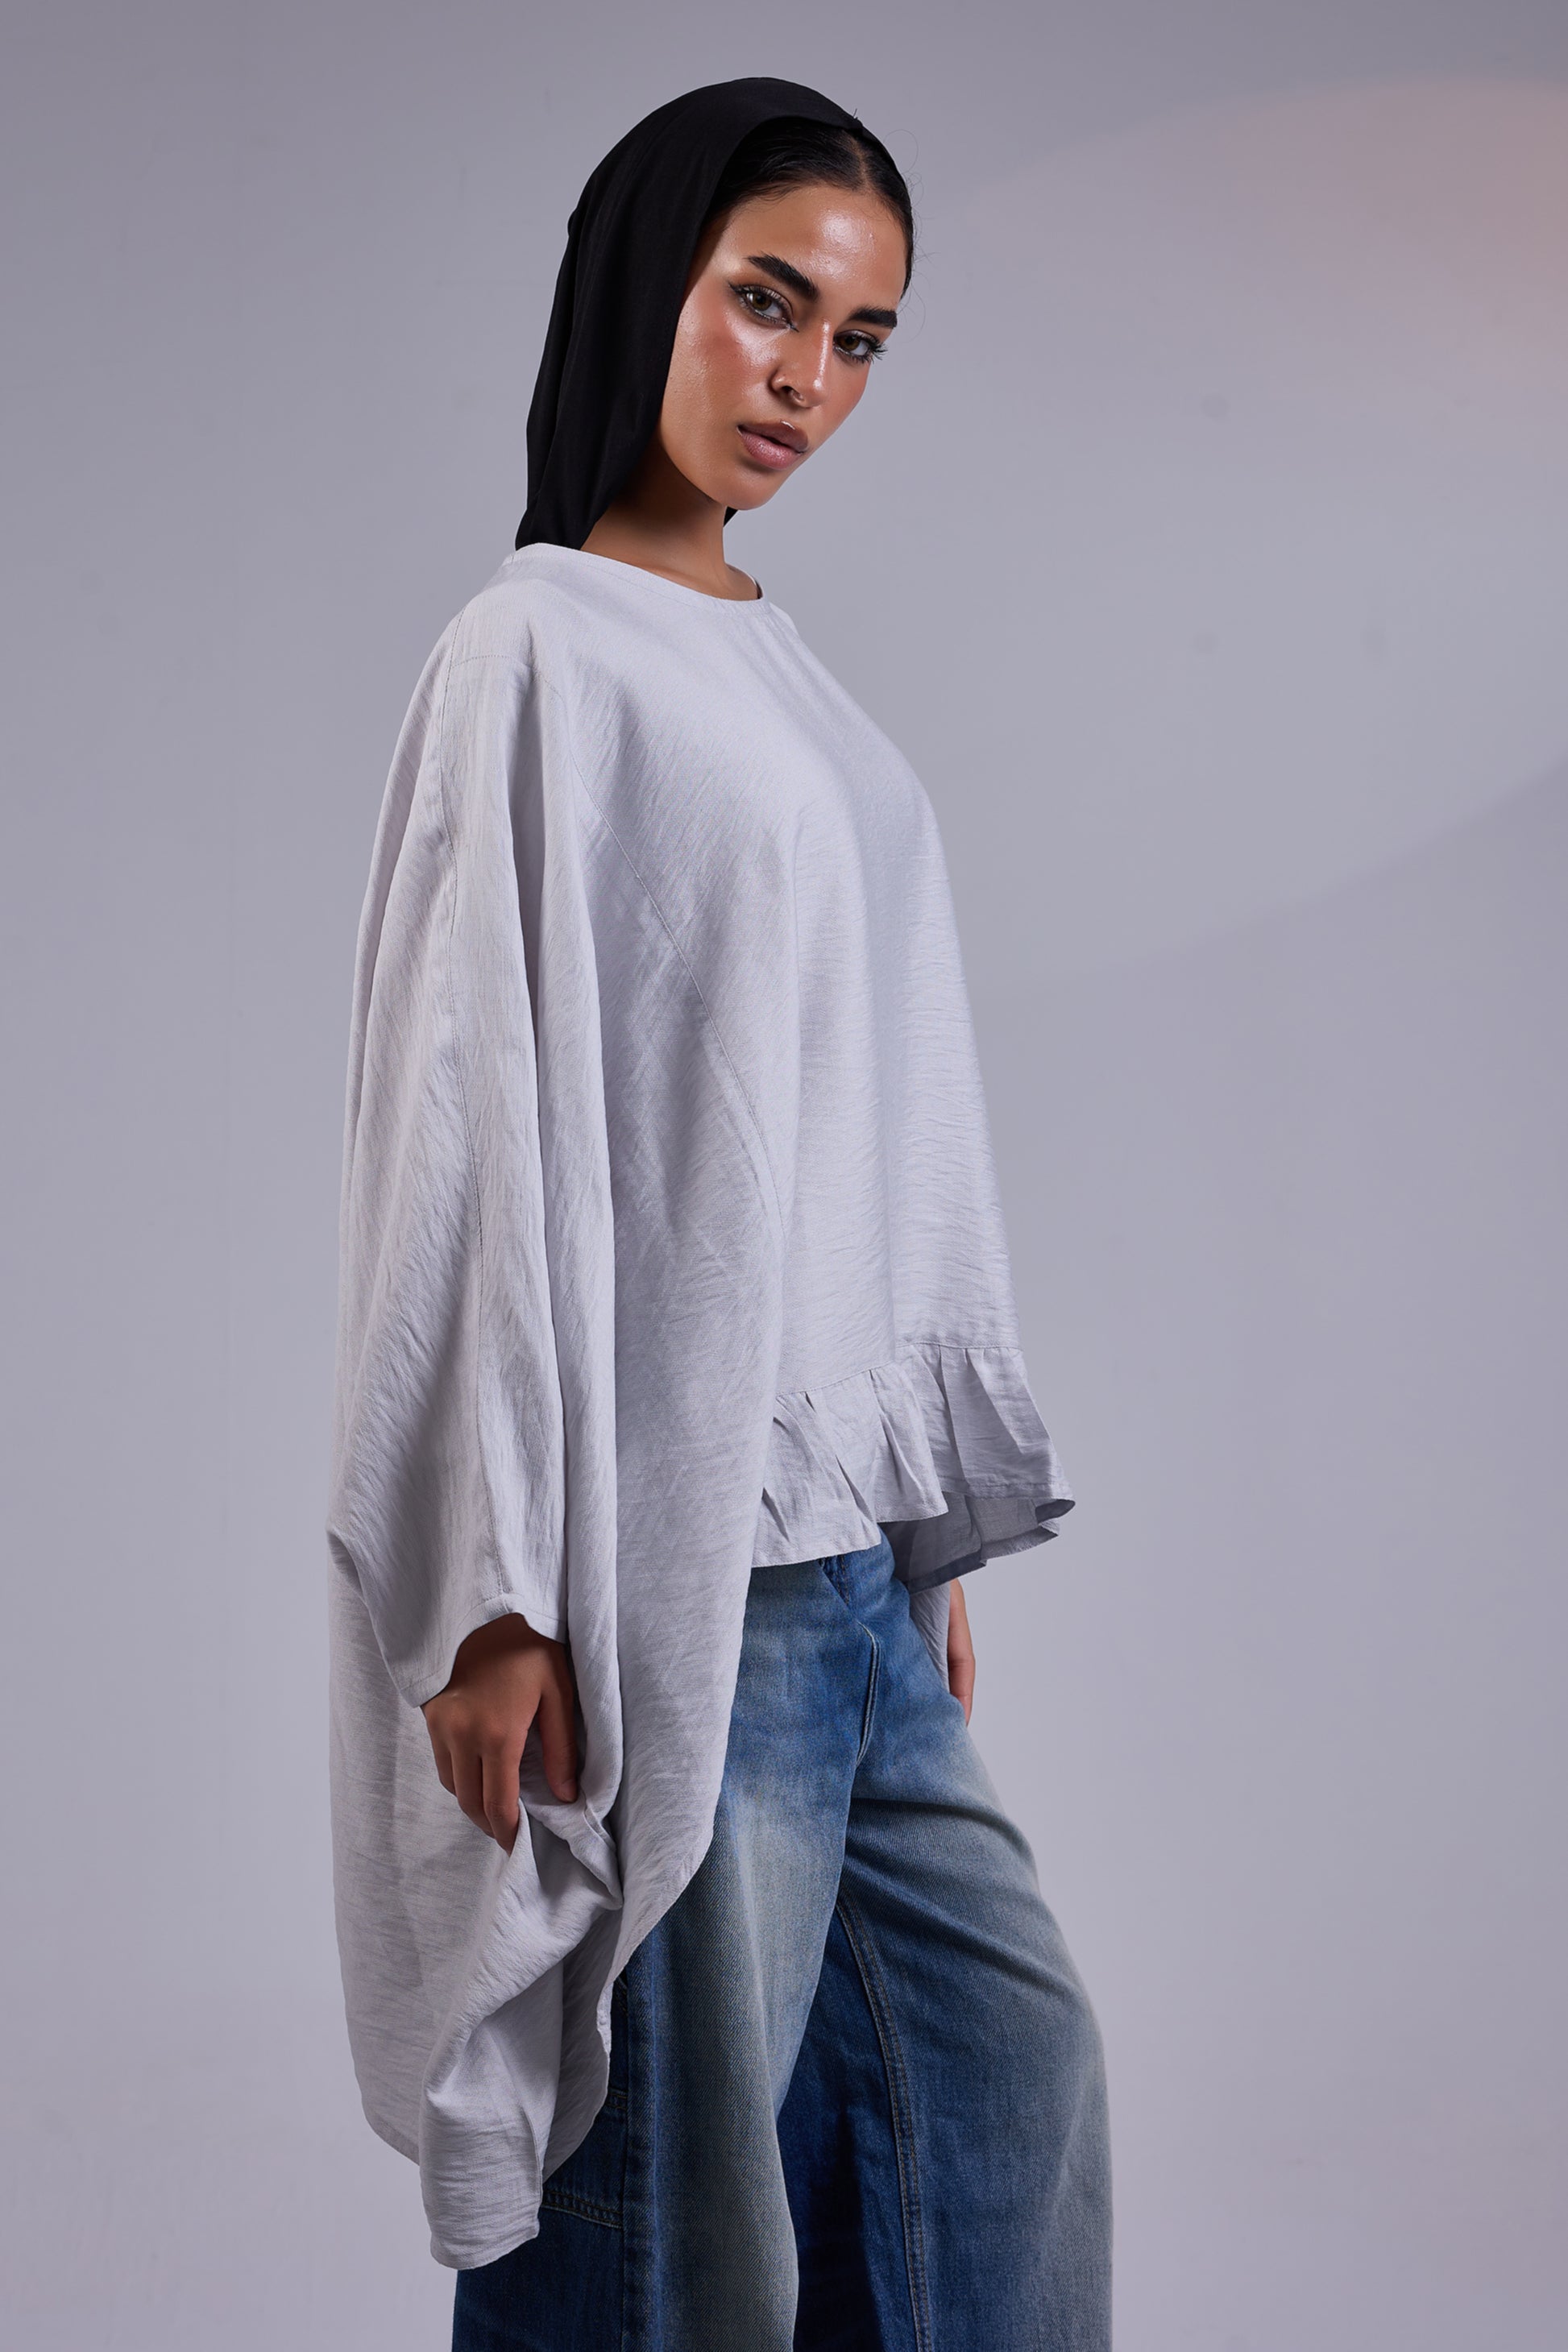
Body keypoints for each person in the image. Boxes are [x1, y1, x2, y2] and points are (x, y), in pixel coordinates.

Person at [327, 75, 1111, 2351]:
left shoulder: (771, 656)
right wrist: (489, 1593)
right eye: (769, 303)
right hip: (682, 1580)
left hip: (844, 1581)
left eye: (859, 340)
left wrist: (911, 1521)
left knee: (998, 2091)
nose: (807, 381)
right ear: (643, 279)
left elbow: (859, 1116)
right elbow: (461, 1119)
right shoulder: (537, 651)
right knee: (671, 2217)